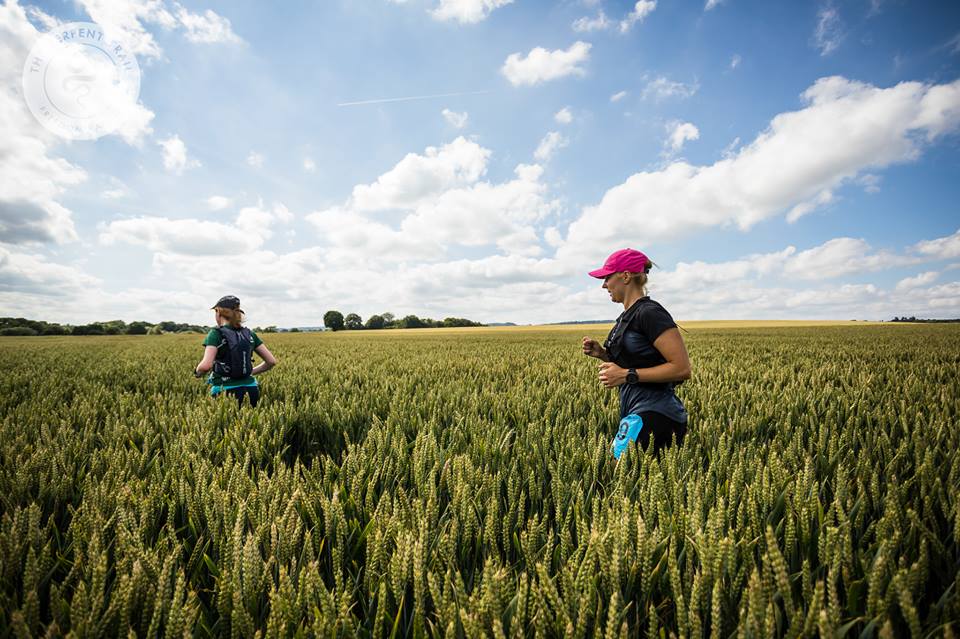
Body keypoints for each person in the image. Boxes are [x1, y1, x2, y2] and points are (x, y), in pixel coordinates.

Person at [582, 249, 691, 459]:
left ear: (625, 276)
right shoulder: (627, 316)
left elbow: (681, 368)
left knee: (621, 477)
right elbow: (636, 360)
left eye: (607, 277)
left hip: (656, 414)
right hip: (636, 412)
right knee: (622, 478)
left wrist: (626, 375)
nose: (604, 285)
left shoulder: (650, 313)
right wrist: (604, 355)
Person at [194, 295, 277, 407]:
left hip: (225, 391)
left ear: (218, 312)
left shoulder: (216, 333)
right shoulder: (249, 334)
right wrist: (249, 372)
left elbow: (206, 366)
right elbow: (271, 361)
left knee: (225, 424)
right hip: (252, 389)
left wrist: (197, 373)